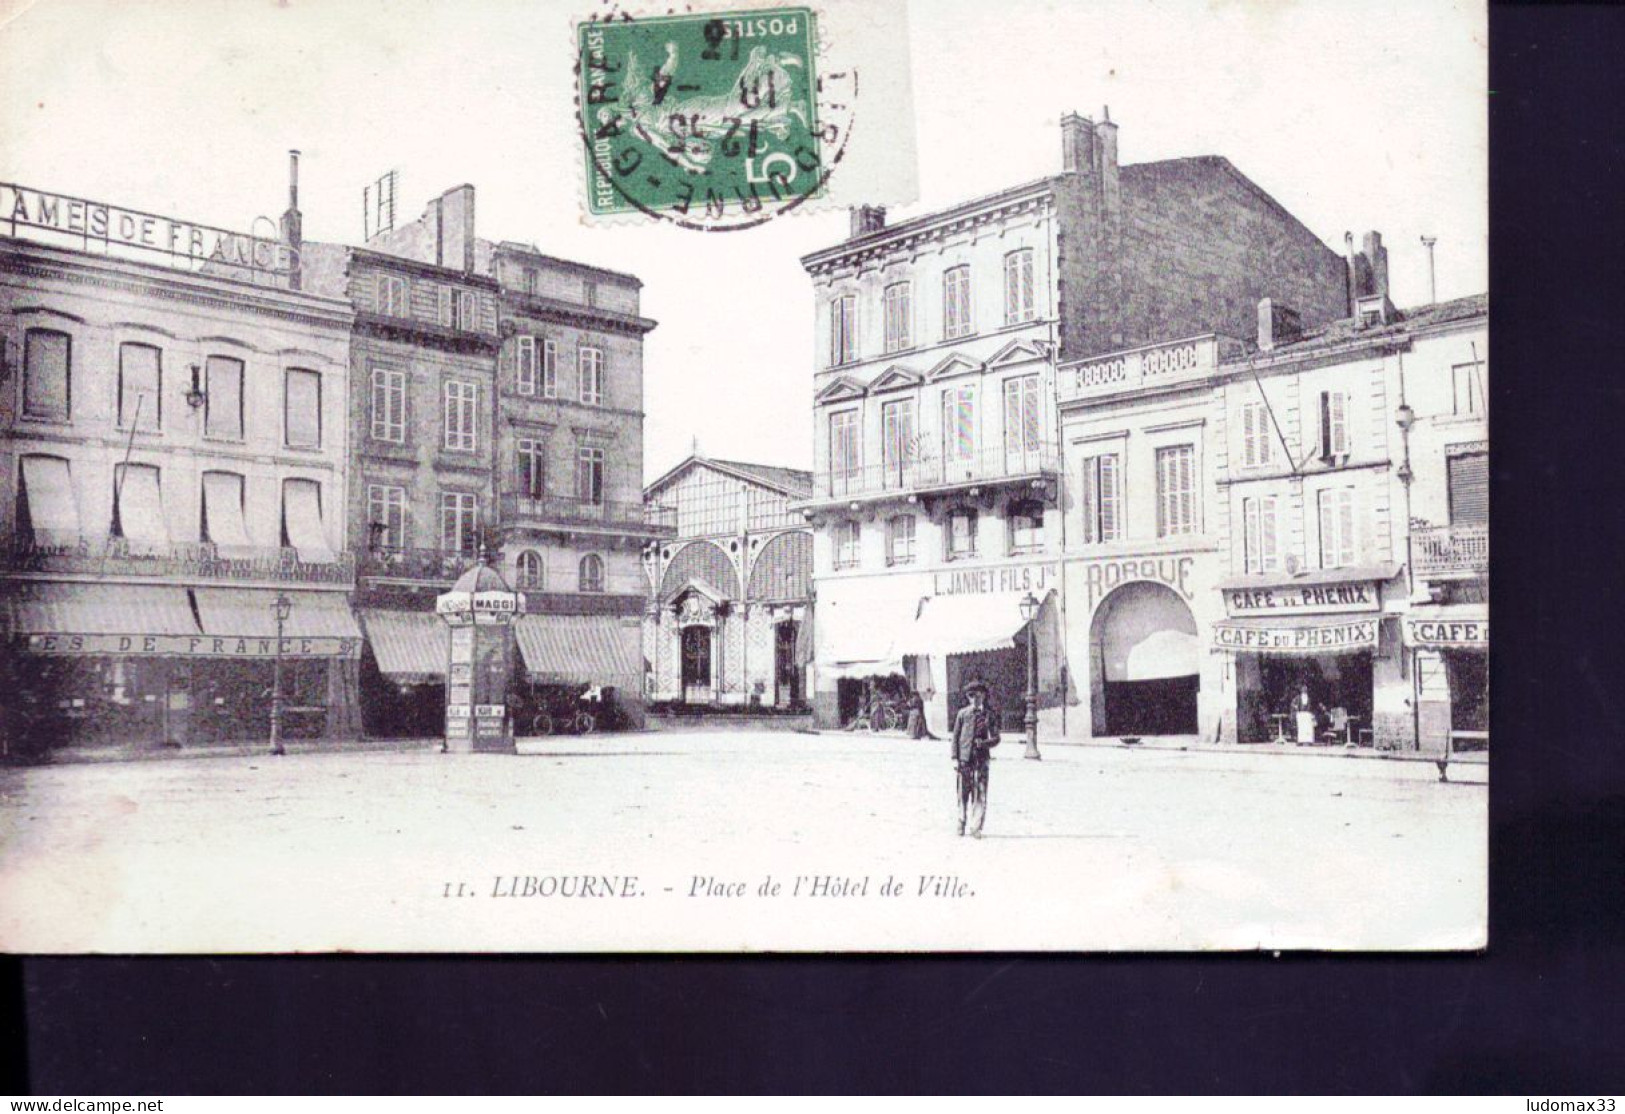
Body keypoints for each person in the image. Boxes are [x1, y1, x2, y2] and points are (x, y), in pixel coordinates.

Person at [950, 678, 1000, 838]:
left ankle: (976, 827)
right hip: (964, 760)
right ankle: (961, 821)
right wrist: (954, 758)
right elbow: (955, 737)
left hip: (981, 760)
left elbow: (997, 738)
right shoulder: (962, 714)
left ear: (984, 696)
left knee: (980, 794)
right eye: (971, 696)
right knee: (962, 792)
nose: (975, 699)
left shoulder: (989, 716)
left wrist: (985, 743)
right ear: (968, 697)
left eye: (978, 695)